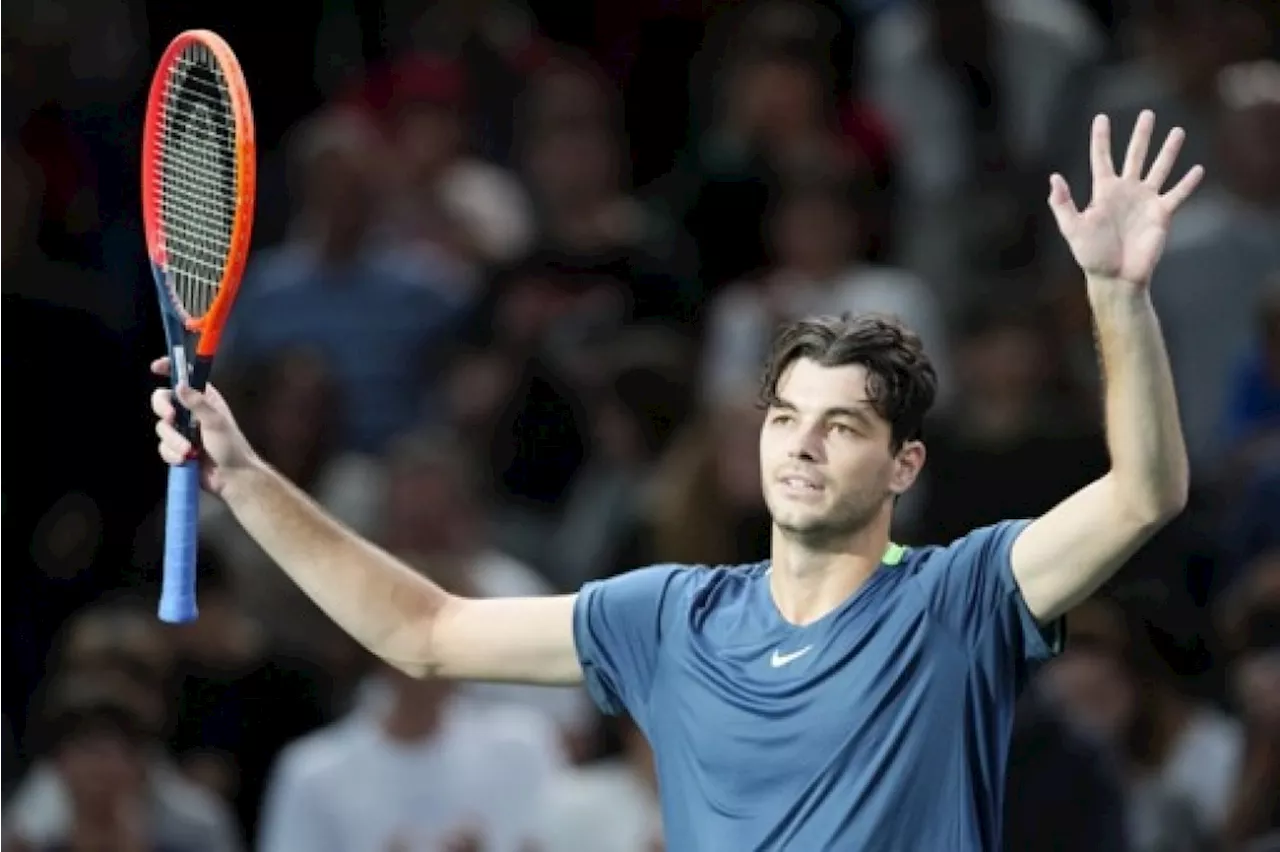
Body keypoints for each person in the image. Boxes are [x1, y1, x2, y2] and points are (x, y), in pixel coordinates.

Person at [148, 110, 1202, 850]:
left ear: (902, 465)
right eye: (784, 418)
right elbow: (424, 633)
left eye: (840, 427)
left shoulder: (958, 599)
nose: (799, 443)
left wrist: (1114, 297)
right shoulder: (670, 618)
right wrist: (245, 479)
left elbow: (1142, 494)